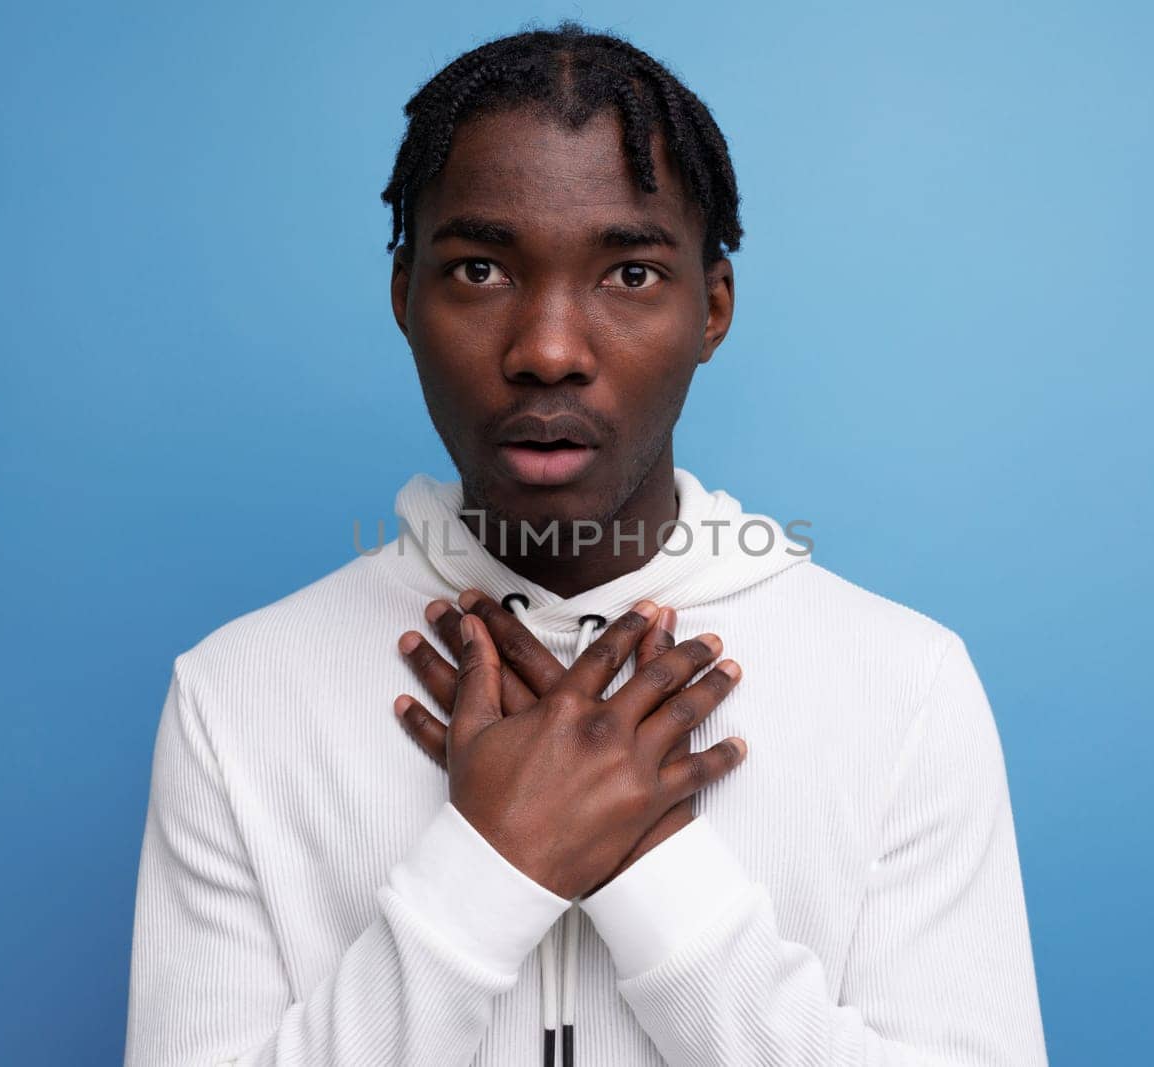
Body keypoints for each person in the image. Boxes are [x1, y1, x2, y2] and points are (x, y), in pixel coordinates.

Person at [124, 21, 1048, 1067]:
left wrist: (649, 864)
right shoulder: (237, 696)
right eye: (478, 268)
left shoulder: (905, 684)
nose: (548, 349)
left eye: (630, 275)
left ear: (714, 307)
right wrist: (487, 867)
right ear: (402, 297)